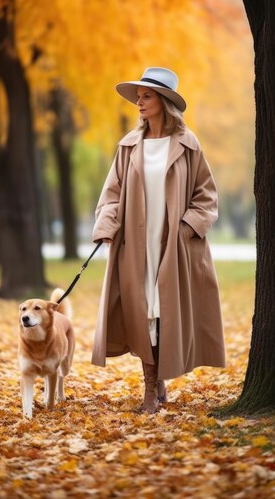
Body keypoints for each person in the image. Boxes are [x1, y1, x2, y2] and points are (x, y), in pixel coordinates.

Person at [91, 67, 226, 413]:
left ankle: (160, 378)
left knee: (163, 310)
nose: (139, 100)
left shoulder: (187, 144)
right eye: (138, 95)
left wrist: (185, 228)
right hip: (135, 246)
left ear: (164, 102)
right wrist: (107, 225)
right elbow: (112, 193)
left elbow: (206, 195)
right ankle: (151, 389)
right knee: (141, 312)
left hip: (172, 245)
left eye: (146, 95)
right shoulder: (129, 145)